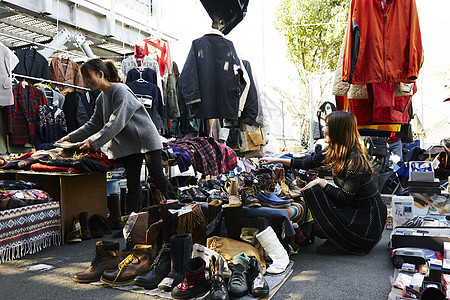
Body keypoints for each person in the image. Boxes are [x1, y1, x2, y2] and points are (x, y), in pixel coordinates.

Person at [260, 111, 387, 255]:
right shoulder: (335, 150)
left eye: (326, 125)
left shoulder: (354, 160)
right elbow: (308, 162)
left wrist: (321, 183)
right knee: (315, 217)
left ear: (337, 129)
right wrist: (276, 159)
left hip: (366, 219)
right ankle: (337, 238)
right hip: (354, 209)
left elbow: (345, 197)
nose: (323, 128)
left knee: (315, 194)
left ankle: (343, 239)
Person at [58, 58, 173, 214]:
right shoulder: (101, 98)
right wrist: (70, 137)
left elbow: (116, 122)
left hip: (146, 139)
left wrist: (92, 142)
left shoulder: (120, 90)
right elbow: (93, 124)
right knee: (133, 183)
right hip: (130, 144)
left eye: (88, 76)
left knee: (157, 176)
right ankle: (133, 221)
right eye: (84, 78)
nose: (86, 81)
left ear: (100, 74)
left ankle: (180, 209)